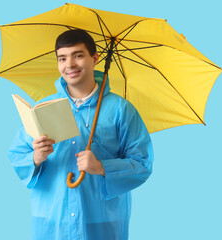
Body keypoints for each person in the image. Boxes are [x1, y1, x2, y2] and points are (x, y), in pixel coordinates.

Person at [8, 29, 153, 240]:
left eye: (78, 55)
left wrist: (102, 167)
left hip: (102, 220)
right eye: (62, 58)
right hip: (52, 219)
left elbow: (142, 163)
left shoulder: (121, 109)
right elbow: (17, 154)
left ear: (95, 58)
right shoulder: (43, 108)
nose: (70, 65)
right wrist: (36, 158)